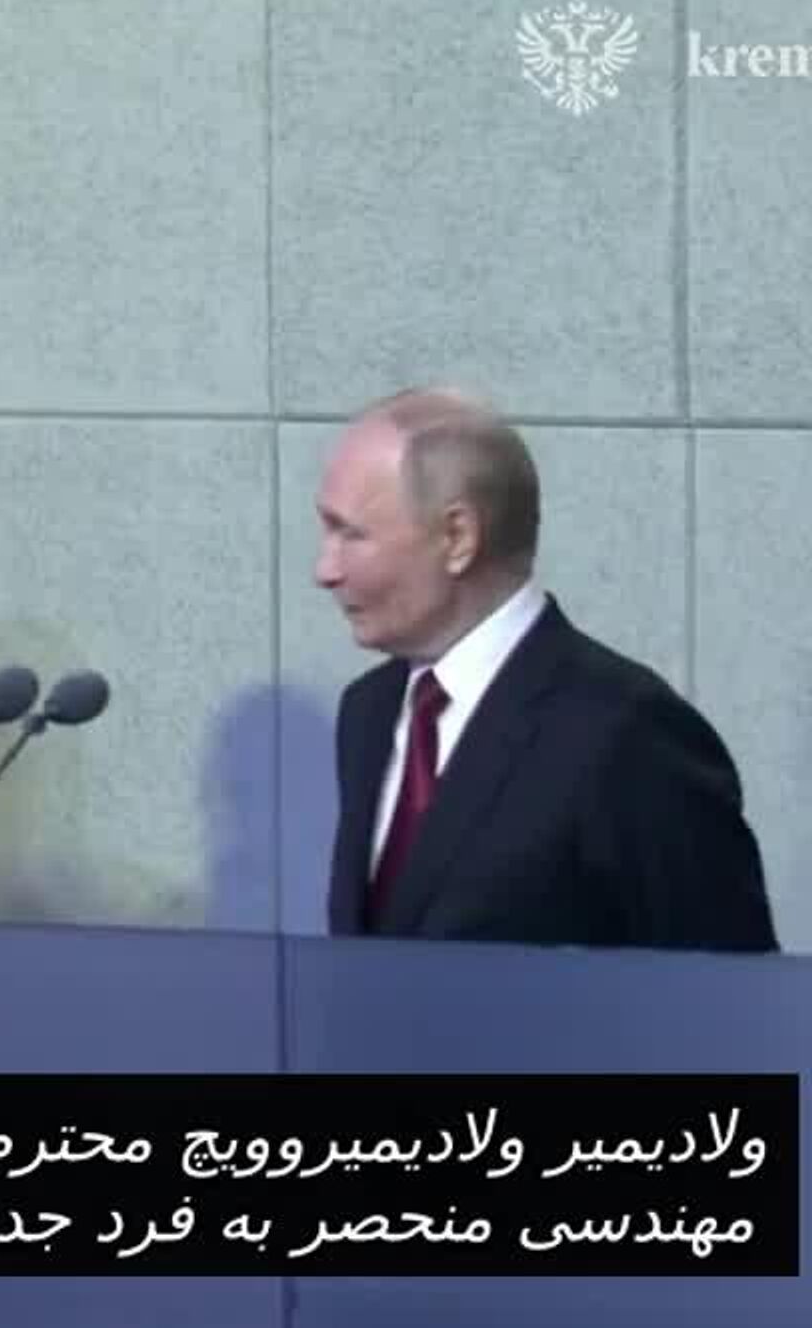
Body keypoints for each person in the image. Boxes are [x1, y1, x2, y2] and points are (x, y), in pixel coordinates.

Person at [313, 385, 775, 950]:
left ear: (457, 538)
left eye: (350, 533)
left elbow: (724, 983)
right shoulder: (368, 712)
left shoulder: (627, 733)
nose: (325, 570)